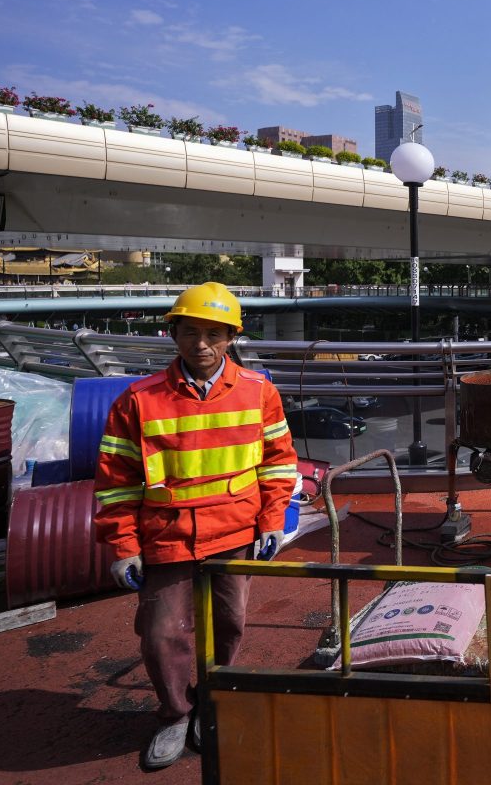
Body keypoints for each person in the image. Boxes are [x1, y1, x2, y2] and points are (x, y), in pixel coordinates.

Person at [93, 282, 297, 769]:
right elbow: (116, 482)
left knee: (229, 625)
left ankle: (213, 701)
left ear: (231, 337)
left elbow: (276, 462)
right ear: (173, 334)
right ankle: (174, 714)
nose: (200, 344)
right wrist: (123, 545)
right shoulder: (138, 401)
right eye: (189, 332)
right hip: (167, 538)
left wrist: (271, 519)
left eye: (213, 333)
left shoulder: (258, 391)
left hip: (234, 532)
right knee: (163, 633)